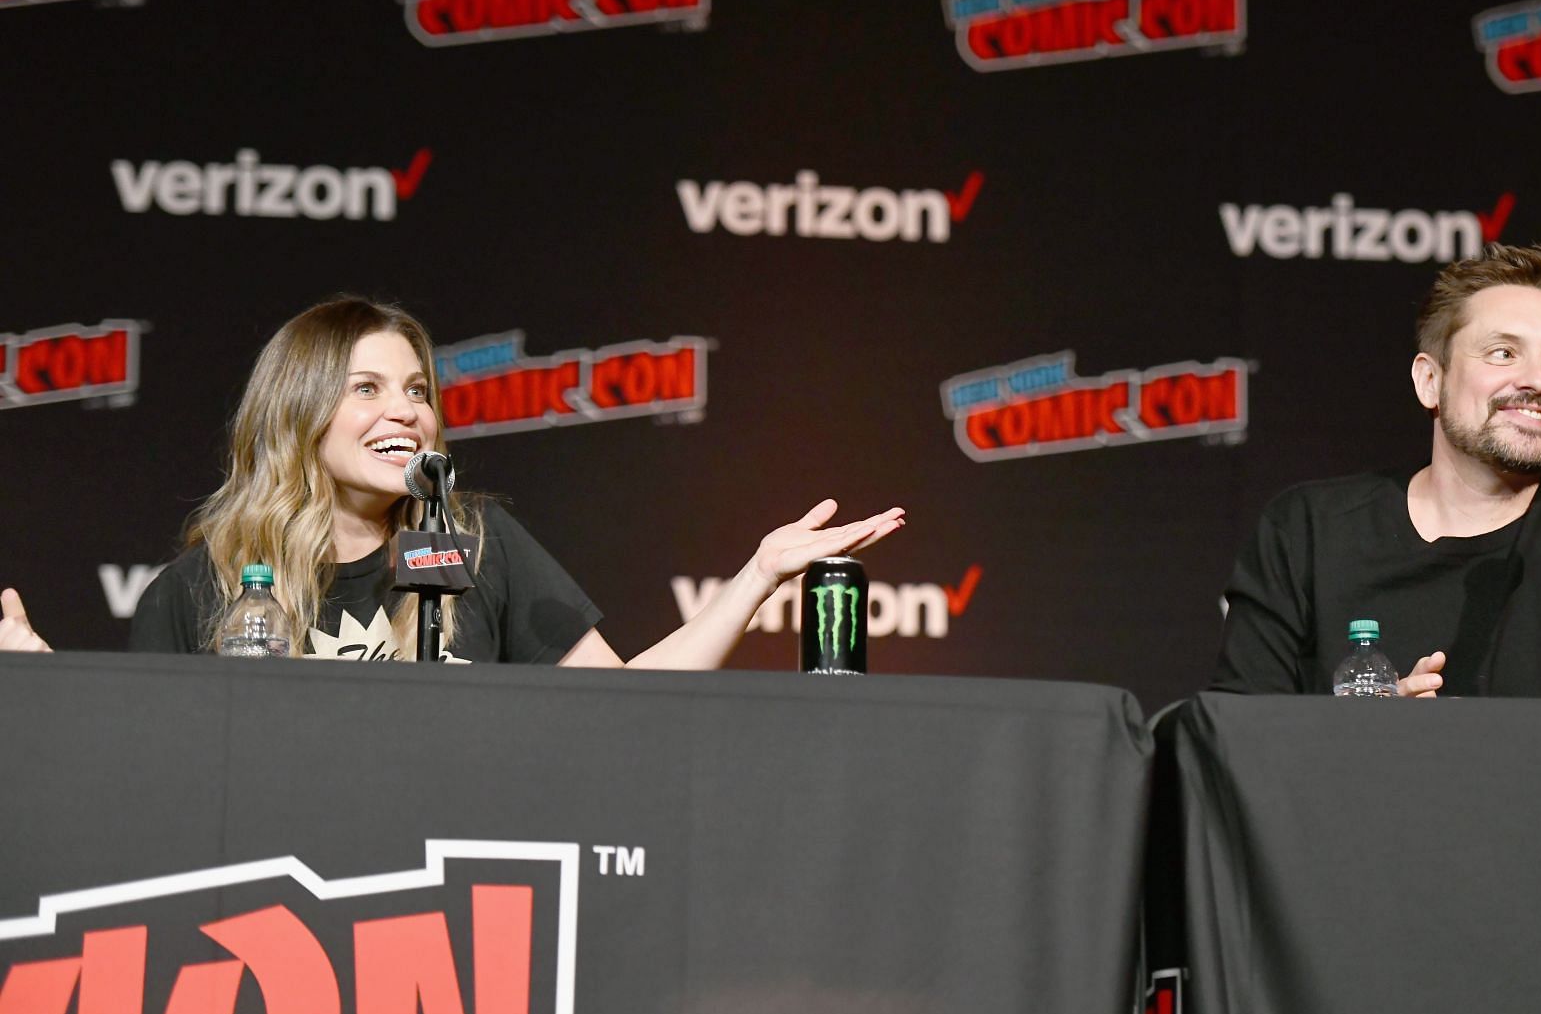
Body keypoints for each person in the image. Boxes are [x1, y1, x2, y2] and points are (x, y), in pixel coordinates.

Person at [2, 297, 902, 666]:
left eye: (419, 391)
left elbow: (620, 702)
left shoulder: (476, 542)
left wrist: (753, 579)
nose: (406, 412)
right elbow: (150, 784)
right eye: (366, 389)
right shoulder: (196, 591)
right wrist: (49, 698)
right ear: (297, 413)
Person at [1213, 244, 1541, 700]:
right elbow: (1235, 743)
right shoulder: (1309, 531)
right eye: (1503, 352)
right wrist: (1359, 740)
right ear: (1430, 382)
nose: (1539, 380)